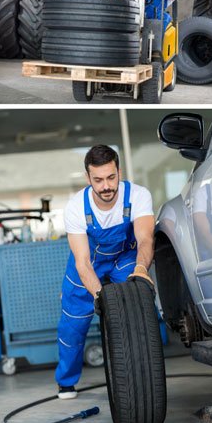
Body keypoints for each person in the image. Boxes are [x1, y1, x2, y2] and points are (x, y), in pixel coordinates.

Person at [56, 144, 155, 399]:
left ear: (119, 172)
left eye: (111, 177)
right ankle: (66, 381)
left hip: (125, 257)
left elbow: (145, 239)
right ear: (88, 179)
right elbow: (82, 262)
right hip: (89, 264)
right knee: (72, 327)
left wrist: (141, 269)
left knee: (135, 304)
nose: (106, 186)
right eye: (98, 180)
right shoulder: (76, 207)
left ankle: (140, 373)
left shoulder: (138, 195)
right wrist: (100, 296)